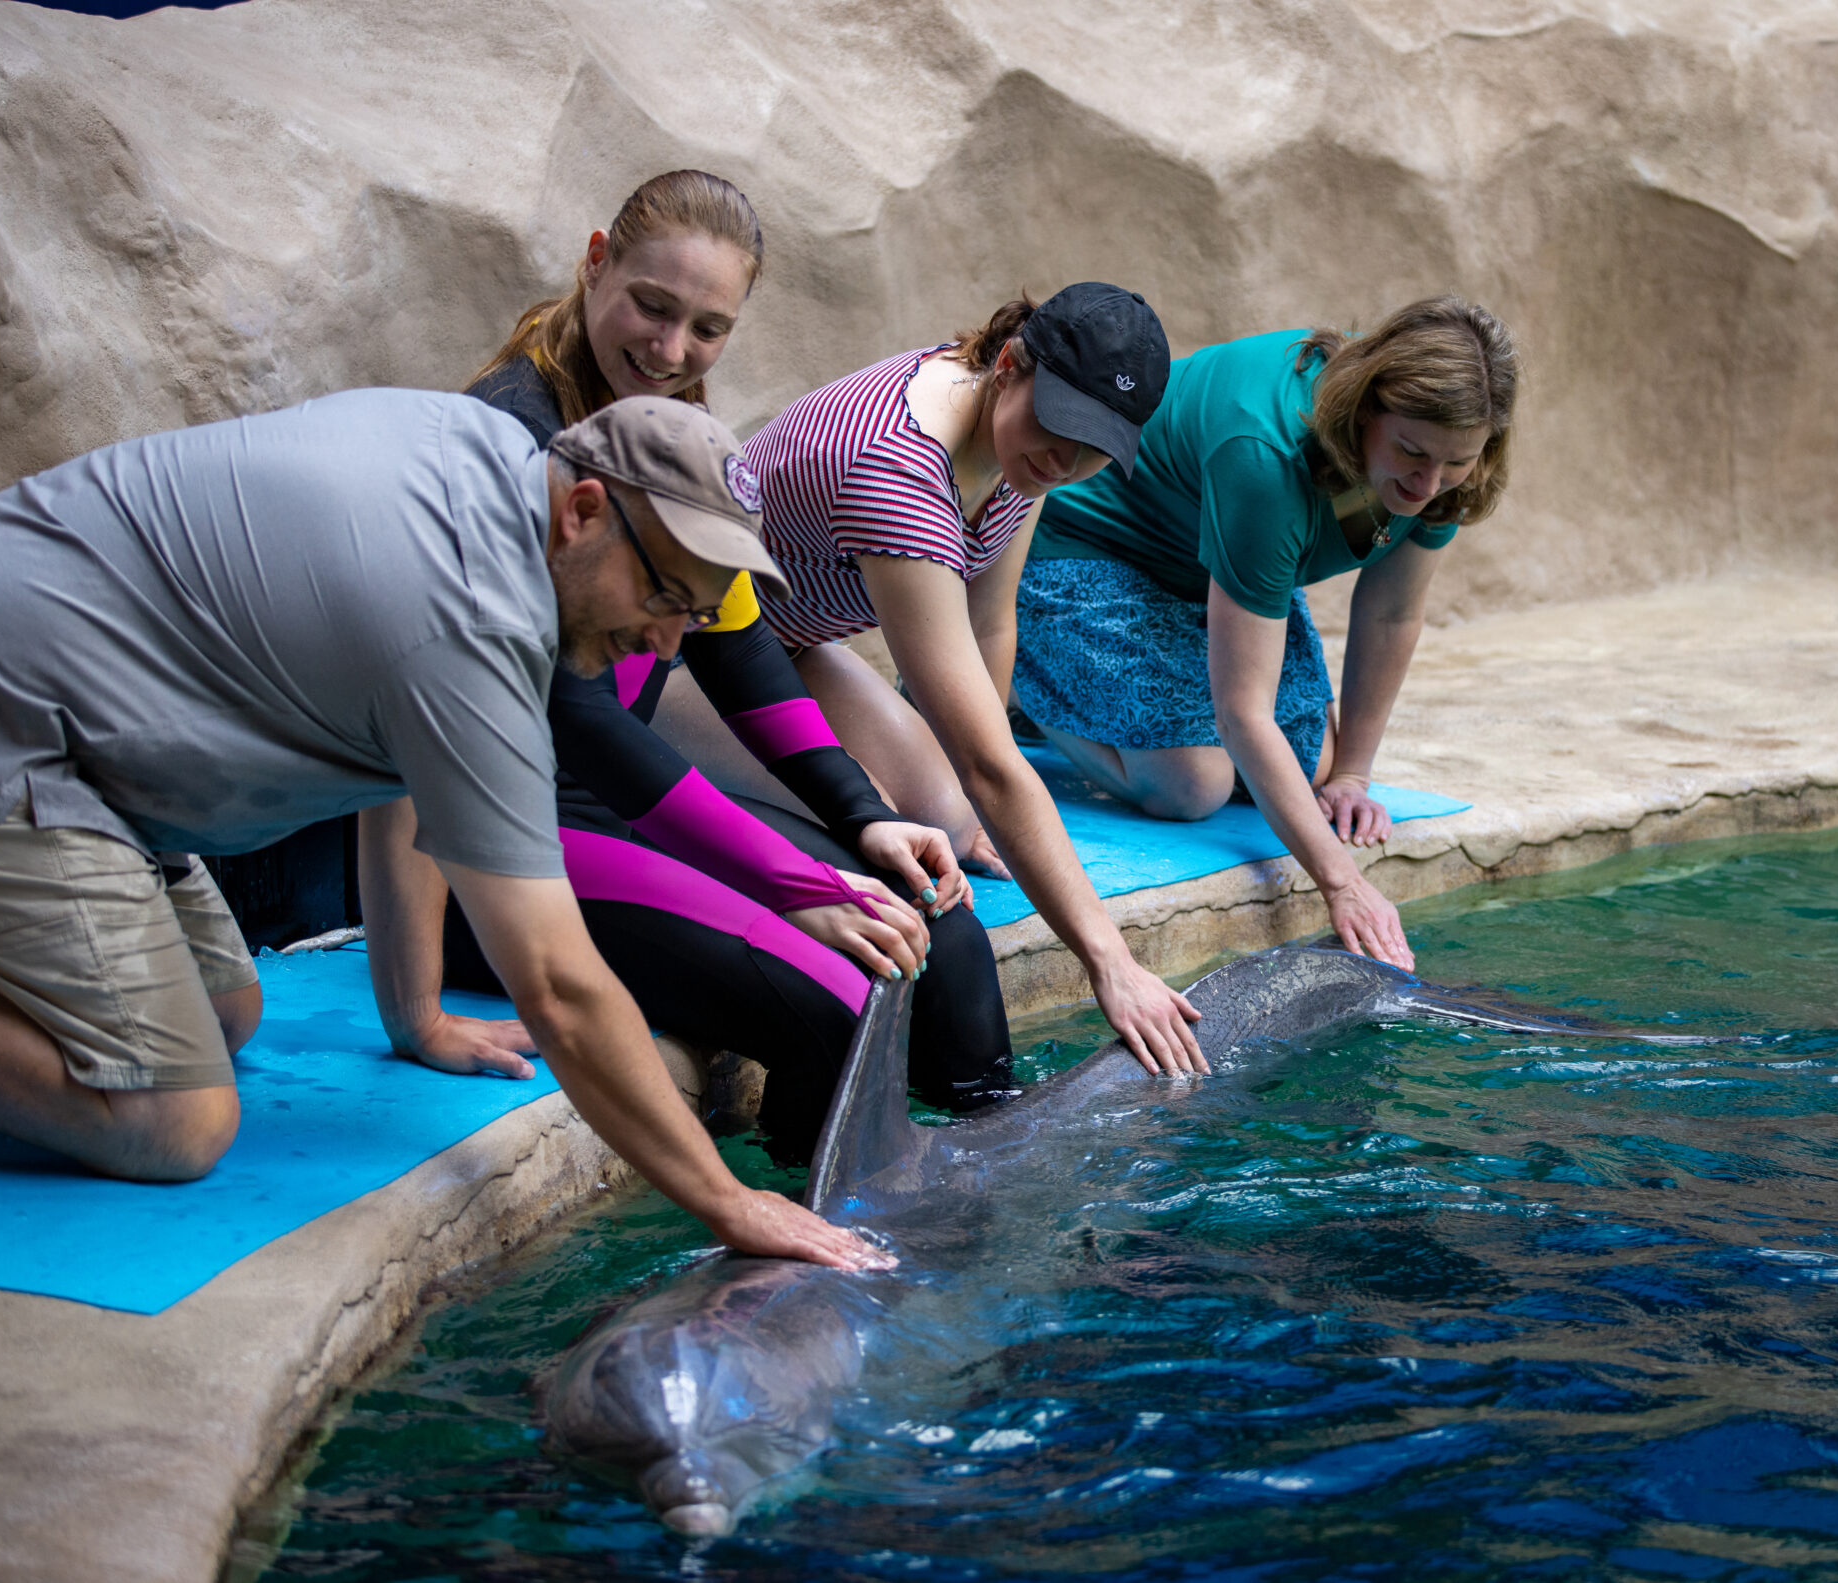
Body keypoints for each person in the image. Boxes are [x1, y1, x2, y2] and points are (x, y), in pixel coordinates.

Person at [0, 387, 883, 1272]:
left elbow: (400, 763)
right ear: (583, 511)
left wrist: (414, 1015)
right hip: (20, 718)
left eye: (692, 612)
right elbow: (558, 985)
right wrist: (726, 1200)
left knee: (227, 1011)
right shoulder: (472, 615)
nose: (665, 642)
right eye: (663, 595)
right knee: (175, 1119)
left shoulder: (491, 462)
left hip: (95, 725)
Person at [426, 171, 1014, 1155]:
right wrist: (794, 882)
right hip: (505, 832)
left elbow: (744, 658)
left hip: (619, 803)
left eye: (706, 328)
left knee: (936, 923)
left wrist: (864, 823)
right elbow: (578, 717)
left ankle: (996, 1194)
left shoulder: (675, 419)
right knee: (842, 998)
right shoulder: (510, 446)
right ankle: (825, 1267)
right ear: (595, 259)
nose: (669, 350)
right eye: (652, 309)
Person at [744, 282, 1206, 1078]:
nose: (1065, 461)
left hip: (784, 643)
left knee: (950, 823)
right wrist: (1111, 961)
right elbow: (994, 763)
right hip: (679, 658)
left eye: (1093, 446)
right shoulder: (898, 468)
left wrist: (978, 798)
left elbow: (991, 624)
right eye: (1058, 426)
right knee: (886, 850)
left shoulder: (1014, 453)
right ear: (1009, 363)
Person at [1013, 296, 1520, 970]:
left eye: (1456, 461)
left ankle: (1077, 692)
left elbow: (1392, 611)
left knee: (1312, 769)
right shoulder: (1267, 450)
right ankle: (1022, 677)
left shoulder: (1443, 456)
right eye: (1411, 452)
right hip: (1086, 549)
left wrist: (1353, 774)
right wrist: (1342, 882)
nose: (1429, 484)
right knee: (1193, 783)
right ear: (1366, 410)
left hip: (1214, 574)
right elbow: (1241, 712)